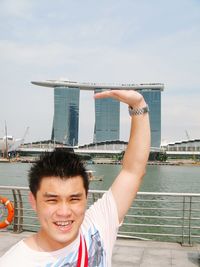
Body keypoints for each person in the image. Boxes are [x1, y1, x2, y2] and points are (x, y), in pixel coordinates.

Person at [0, 90, 150, 266]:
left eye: (74, 199)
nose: (64, 212)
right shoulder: (14, 262)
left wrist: (139, 106)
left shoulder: (96, 225)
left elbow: (133, 171)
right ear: (33, 201)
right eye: (52, 200)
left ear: (86, 198)